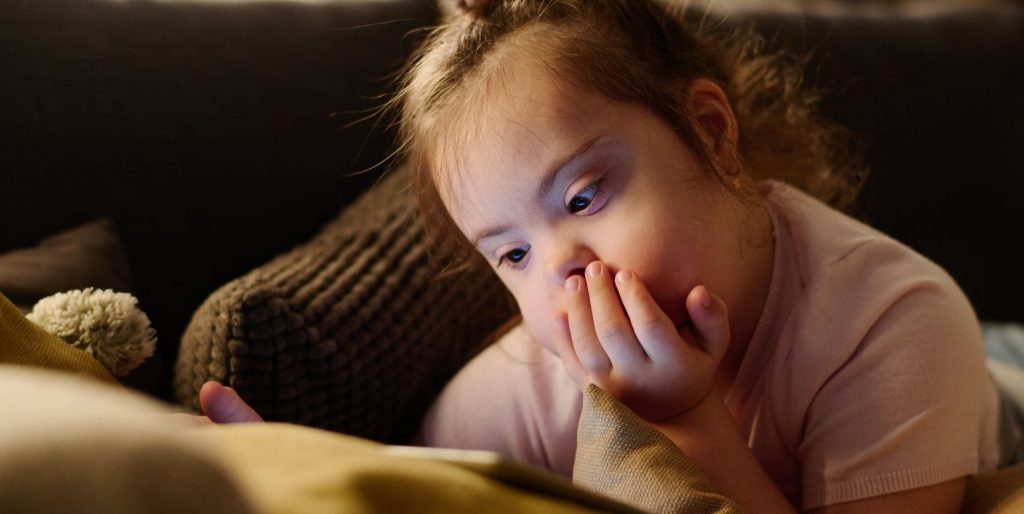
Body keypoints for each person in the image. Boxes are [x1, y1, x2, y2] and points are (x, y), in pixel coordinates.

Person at [197, 0, 1006, 512]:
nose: (561, 268)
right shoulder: (547, 364)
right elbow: (422, 484)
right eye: (512, 253)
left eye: (583, 199)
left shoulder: (891, 326)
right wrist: (286, 470)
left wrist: (683, 421)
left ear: (711, 133)